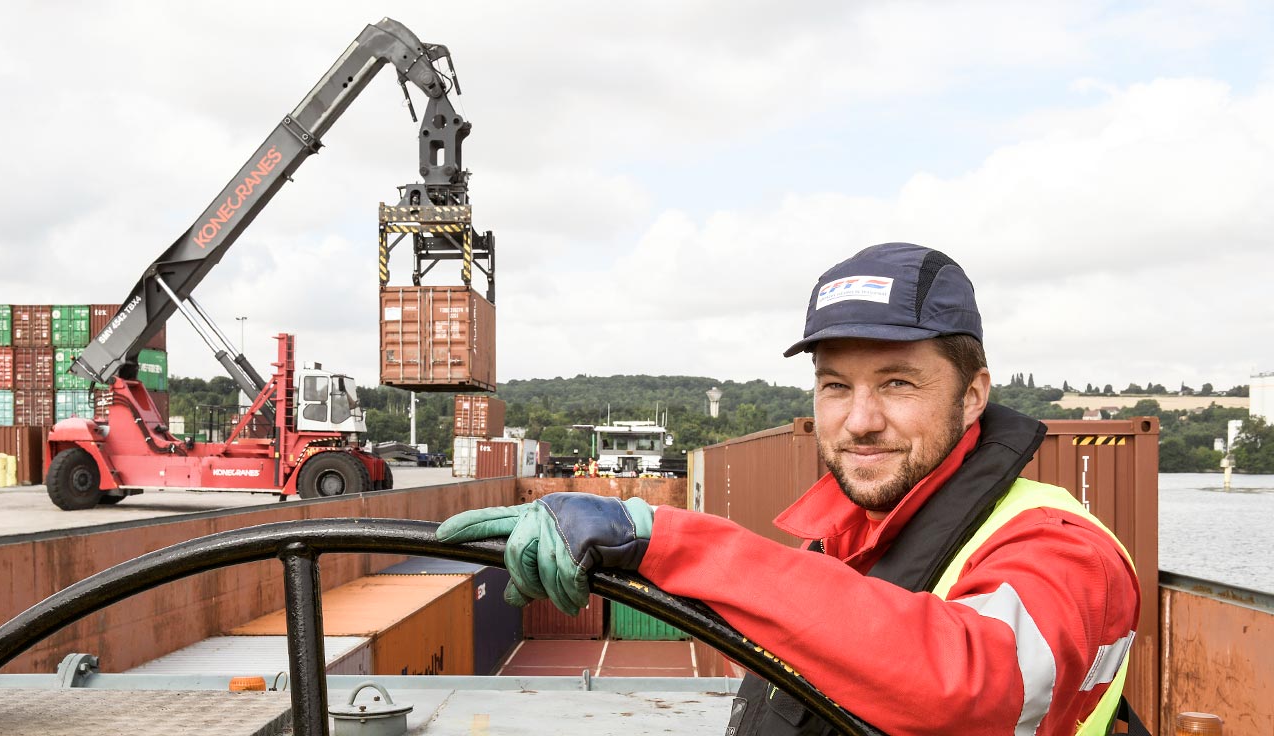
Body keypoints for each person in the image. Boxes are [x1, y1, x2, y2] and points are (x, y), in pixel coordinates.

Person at [438, 243, 1142, 735]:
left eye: (898, 382)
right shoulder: (841, 538)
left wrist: (670, 538)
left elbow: (976, 689)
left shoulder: (1060, 546)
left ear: (973, 395)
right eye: (836, 386)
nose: (860, 421)